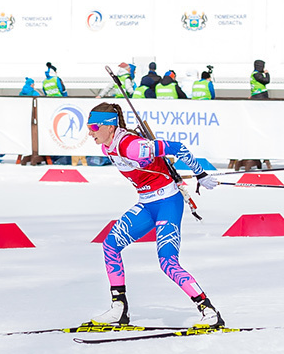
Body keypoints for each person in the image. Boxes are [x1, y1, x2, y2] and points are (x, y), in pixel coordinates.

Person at [85, 102, 222, 331]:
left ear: (110, 126)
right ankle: (119, 309)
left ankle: (209, 311)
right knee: (110, 245)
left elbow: (178, 147)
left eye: (94, 126)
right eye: (89, 127)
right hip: (147, 204)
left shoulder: (132, 146)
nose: (90, 132)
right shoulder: (107, 147)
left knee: (167, 262)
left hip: (168, 202)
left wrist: (200, 174)